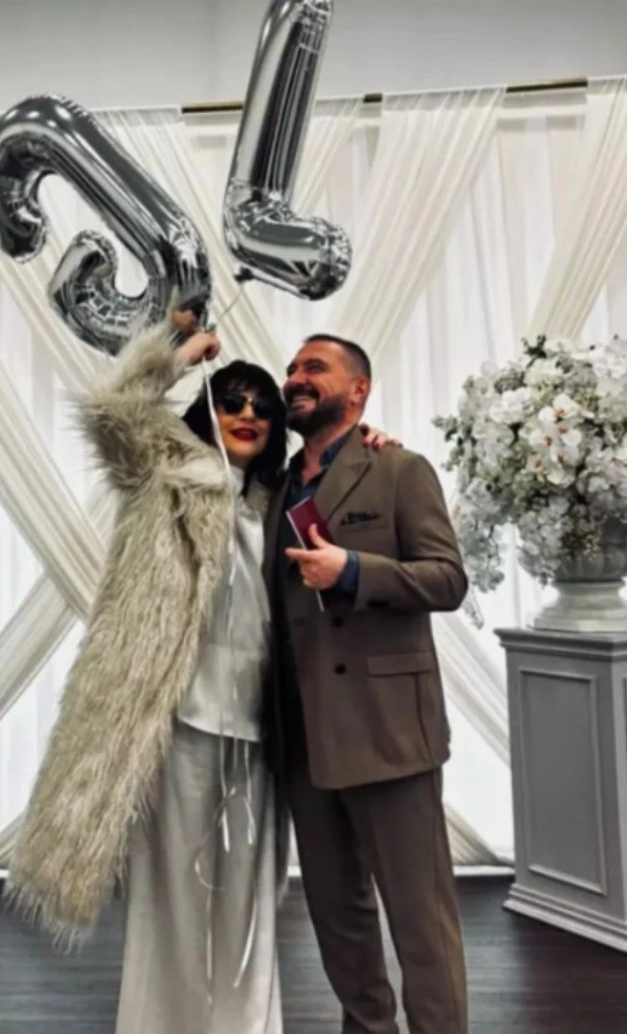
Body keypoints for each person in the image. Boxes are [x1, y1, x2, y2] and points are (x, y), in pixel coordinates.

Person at [3, 310, 393, 1034]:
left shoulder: (285, 503)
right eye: (231, 402)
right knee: (173, 896)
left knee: (251, 897)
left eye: (261, 408)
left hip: (265, 727)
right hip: (175, 719)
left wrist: (371, 445)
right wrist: (177, 353)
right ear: (207, 411)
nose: (247, 415)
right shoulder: (163, 477)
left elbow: (349, 494)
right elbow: (111, 411)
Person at [263, 332, 470, 1034]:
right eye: (292, 368)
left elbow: (447, 580)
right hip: (301, 738)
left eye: (314, 367)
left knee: (421, 921)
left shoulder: (400, 469)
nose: (296, 377)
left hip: (389, 732)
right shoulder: (273, 487)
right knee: (338, 918)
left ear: (359, 390)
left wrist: (352, 571)